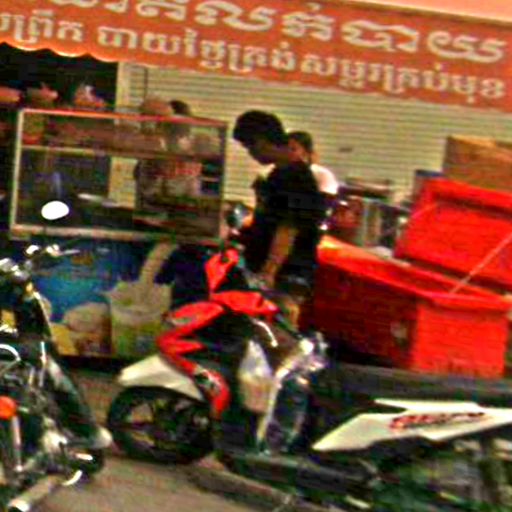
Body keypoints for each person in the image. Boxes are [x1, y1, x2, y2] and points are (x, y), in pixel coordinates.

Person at [232, 111, 327, 327]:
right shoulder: (279, 173)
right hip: (275, 266)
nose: (251, 154)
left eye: (250, 147)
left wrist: (269, 270)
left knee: (279, 323)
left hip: (286, 270)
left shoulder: (295, 178)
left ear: (261, 141)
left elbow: (288, 228)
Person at [288, 130, 339, 196]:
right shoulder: (280, 173)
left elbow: (327, 199)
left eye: (293, 149)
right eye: (286, 148)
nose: (288, 152)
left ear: (306, 151)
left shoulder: (321, 174)